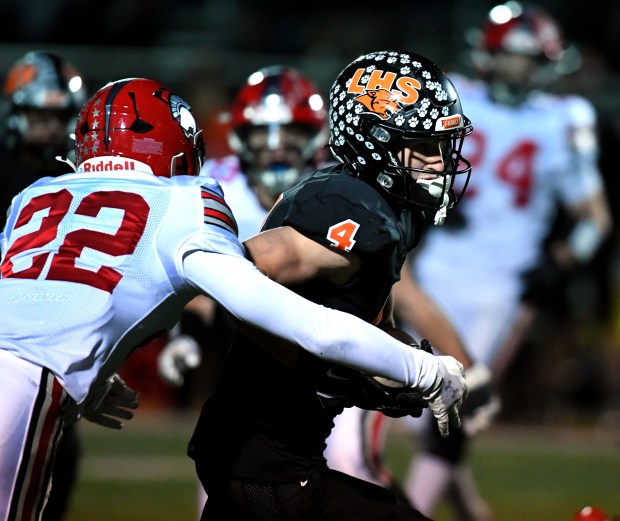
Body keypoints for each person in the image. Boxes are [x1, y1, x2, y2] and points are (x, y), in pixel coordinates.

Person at [0, 76, 466, 521]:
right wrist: (423, 370)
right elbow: (306, 323)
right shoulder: (184, 201)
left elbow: (45, 296)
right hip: (32, 387)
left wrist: (89, 370)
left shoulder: (36, 195)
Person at [187, 49, 472, 520]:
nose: (440, 164)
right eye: (422, 147)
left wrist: (393, 362)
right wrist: (312, 358)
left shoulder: (392, 209)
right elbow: (235, 269)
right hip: (266, 465)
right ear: (375, 143)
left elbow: (367, 318)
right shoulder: (349, 207)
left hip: (265, 460)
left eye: (441, 147)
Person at [400, 3, 613, 520]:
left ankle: (411, 512)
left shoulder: (563, 119)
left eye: (526, 61)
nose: (516, 71)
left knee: (454, 410)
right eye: (509, 59)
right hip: (434, 273)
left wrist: (556, 268)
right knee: (414, 407)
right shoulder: (456, 94)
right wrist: (428, 196)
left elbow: (595, 219)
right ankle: (472, 511)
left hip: (503, 285)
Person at [0, 50, 87, 521]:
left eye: (59, 116)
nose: (51, 127)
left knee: (56, 456)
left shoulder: (77, 179)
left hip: (49, 341)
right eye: (39, 114)